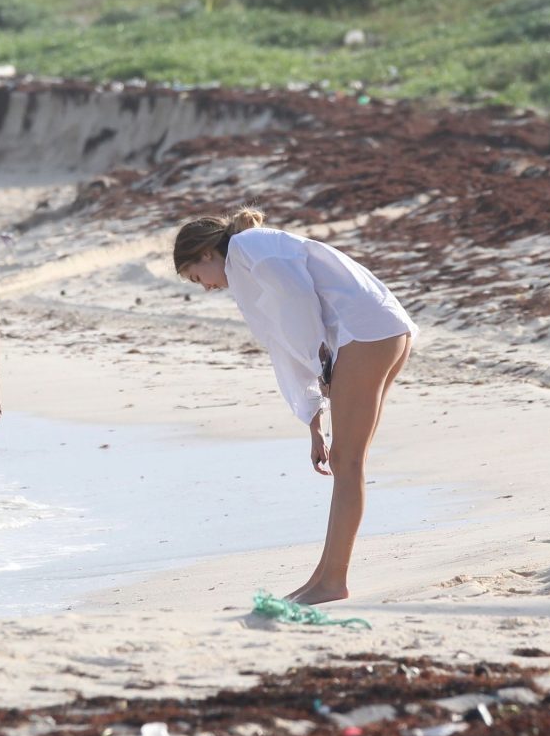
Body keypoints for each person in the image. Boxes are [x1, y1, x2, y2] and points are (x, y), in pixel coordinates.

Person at [174, 207, 417, 605]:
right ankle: (324, 575)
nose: (206, 287)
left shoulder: (250, 248)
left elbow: (297, 305)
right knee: (345, 461)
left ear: (205, 254)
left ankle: (332, 581)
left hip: (367, 332)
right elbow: (287, 343)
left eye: (198, 277)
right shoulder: (248, 258)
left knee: (349, 461)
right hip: (380, 330)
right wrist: (313, 421)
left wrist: (322, 363)